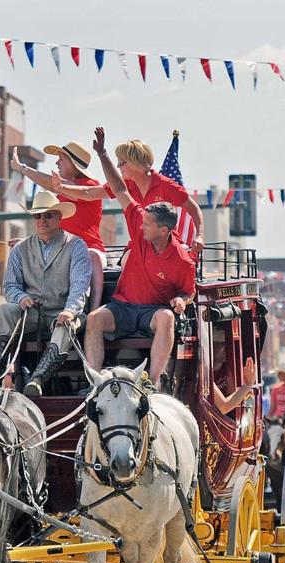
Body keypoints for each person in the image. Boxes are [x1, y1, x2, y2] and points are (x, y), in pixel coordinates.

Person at [83, 126, 196, 390]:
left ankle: (151, 384)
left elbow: (188, 291)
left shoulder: (182, 259)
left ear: (165, 230)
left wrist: (181, 300)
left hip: (152, 312)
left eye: (147, 224)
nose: (140, 226)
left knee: (167, 318)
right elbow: (120, 189)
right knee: (94, 319)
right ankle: (96, 383)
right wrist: (102, 154)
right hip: (123, 307)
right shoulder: (138, 224)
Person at [0, 190, 92, 397]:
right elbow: (10, 286)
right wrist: (20, 298)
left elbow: (80, 284)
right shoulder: (20, 248)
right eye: (38, 215)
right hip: (31, 314)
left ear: (59, 217)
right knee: (3, 311)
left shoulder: (76, 245)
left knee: (65, 324)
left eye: (49, 215)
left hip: (64, 311)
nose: (42, 220)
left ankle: (37, 380)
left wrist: (70, 310)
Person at [54, 134, 206, 254]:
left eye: (122, 162)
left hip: (165, 245)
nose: (118, 166)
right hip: (137, 247)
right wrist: (60, 187)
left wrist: (200, 236)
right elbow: (89, 193)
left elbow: (194, 209)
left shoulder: (166, 185)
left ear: (136, 161)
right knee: (128, 262)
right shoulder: (124, 185)